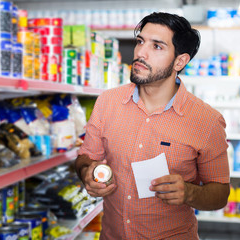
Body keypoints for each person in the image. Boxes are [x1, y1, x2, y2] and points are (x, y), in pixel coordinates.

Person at [75, 12, 230, 239]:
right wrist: (87, 172)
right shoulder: (107, 102)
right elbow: (85, 156)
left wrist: (189, 192)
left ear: (180, 61)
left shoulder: (206, 121)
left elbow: (220, 194)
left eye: (157, 46)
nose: (140, 53)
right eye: (140, 41)